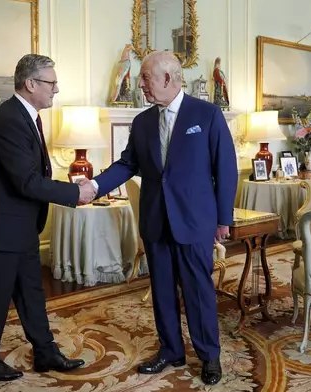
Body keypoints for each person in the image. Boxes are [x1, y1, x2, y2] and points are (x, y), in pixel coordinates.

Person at [90, 51, 238, 386]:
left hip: (195, 220)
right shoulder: (142, 122)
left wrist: (223, 217)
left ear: (168, 78)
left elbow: (225, 169)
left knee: (198, 291)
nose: (139, 84)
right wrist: (95, 185)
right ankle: (171, 350)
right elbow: (128, 164)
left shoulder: (208, 114)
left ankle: (208, 355)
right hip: (156, 220)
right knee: (161, 291)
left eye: (145, 77)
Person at [0, 54, 95, 382]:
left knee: (30, 291)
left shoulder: (26, 116)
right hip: (1, 226)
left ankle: (45, 351)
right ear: (31, 84)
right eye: (51, 83)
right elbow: (26, 181)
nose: (56, 89)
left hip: (20, 224)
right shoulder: (10, 119)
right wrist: (73, 194)